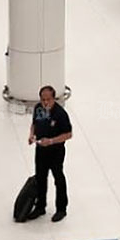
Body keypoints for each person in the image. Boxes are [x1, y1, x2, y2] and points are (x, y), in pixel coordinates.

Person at [28, 85, 72, 221]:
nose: (45, 102)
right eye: (43, 99)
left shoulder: (60, 114)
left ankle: (61, 209)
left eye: (48, 99)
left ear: (54, 99)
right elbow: (34, 124)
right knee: (40, 178)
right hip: (41, 150)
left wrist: (52, 141)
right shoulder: (38, 108)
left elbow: (68, 134)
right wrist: (31, 135)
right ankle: (40, 206)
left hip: (55, 151)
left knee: (58, 178)